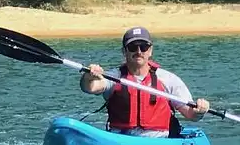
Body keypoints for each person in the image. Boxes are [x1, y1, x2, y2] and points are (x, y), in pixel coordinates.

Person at [80, 27, 210, 138]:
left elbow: (191, 115)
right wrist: (89, 76)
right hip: (121, 138)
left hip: (158, 141)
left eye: (143, 47)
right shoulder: (115, 77)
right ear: (124, 51)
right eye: (132, 47)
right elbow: (90, 87)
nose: (138, 52)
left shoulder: (168, 80)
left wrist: (200, 111)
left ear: (150, 51)